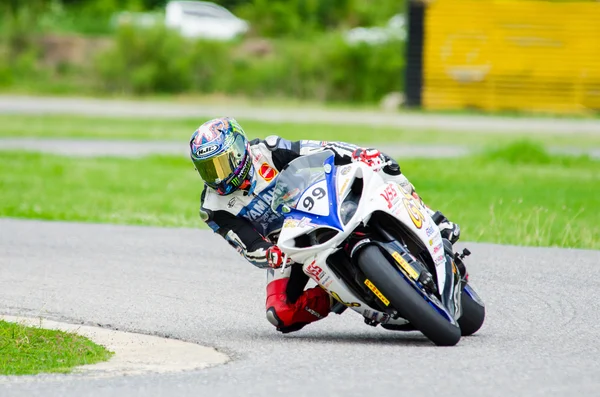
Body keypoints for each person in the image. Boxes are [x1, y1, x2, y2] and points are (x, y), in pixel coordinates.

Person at [190, 117, 461, 333]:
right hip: (290, 246)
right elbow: (246, 242)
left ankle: (435, 221)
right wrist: (269, 254)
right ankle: (337, 294)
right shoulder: (213, 207)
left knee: (385, 167)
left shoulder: (268, 151)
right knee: (280, 315)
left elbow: (322, 148)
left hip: (323, 203)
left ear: (239, 150)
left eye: (221, 164)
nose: (217, 175)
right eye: (208, 169)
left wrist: (362, 155)